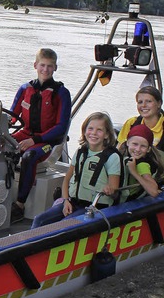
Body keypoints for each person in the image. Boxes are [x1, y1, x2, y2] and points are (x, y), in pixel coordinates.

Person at [9, 48, 72, 223]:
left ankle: (20, 205)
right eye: (42, 65)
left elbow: (61, 127)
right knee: (0, 146)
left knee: (29, 156)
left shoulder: (61, 93)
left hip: (48, 141)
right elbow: (13, 116)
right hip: (26, 133)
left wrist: (34, 140)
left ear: (55, 68)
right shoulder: (25, 89)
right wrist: (1, 124)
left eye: (50, 66)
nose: (45, 69)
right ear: (35, 65)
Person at [31, 112, 121, 228]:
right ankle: (31, 245)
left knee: (64, 225)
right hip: (73, 202)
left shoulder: (112, 157)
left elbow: (114, 188)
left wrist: (109, 189)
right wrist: (66, 201)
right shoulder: (80, 152)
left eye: (99, 130)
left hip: (95, 208)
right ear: (84, 131)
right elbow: (67, 180)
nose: (93, 133)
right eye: (90, 129)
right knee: (39, 220)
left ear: (107, 135)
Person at [119, 124, 164, 201]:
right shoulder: (121, 155)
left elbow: (154, 192)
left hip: (129, 202)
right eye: (135, 144)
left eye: (143, 146)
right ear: (127, 143)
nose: (138, 149)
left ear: (149, 149)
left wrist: (134, 172)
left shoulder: (142, 165)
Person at [117, 86, 164, 150]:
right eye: (140, 102)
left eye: (149, 101)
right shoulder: (131, 123)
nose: (144, 105)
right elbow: (119, 150)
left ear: (159, 103)